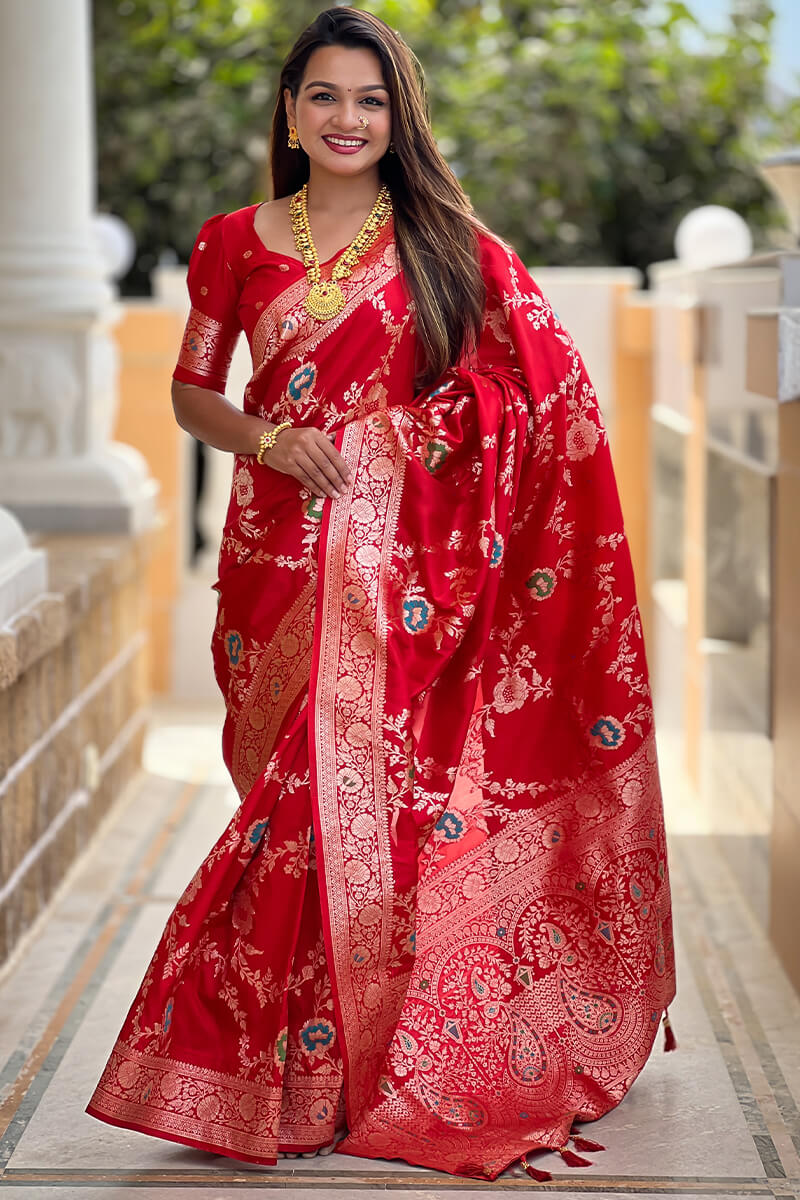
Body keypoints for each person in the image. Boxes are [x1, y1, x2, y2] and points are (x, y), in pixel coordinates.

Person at [86, 7, 676, 1182]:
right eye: (323, 97)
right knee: (301, 798)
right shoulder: (229, 243)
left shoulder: (449, 245)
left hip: (409, 571)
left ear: (395, 118)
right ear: (289, 112)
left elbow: (535, 395)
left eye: (369, 100)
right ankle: (324, 1051)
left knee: (333, 808)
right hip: (273, 559)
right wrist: (269, 439)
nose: (346, 119)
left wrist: (394, 450)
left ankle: (288, 1068)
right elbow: (192, 396)